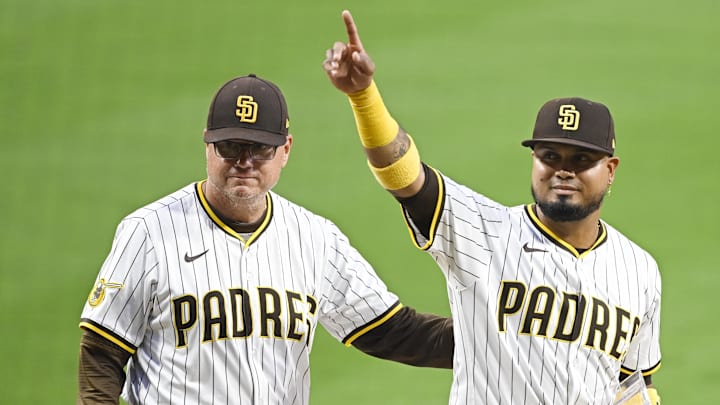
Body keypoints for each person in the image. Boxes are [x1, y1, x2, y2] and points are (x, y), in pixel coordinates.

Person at [322, 10, 662, 405]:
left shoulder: (640, 270)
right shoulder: (483, 232)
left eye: (581, 161)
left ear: (611, 170)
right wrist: (363, 96)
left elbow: (634, 383)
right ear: (534, 161)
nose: (563, 171)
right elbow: (403, 174)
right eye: (550, 156)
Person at [77, 74, 453, 404]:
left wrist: (495, 335)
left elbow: (392, 330)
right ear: (207, 145)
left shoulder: (315, 237)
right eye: (231, 146)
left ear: (285, 150)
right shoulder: (149, 231)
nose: (245, 161)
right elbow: (101, 355)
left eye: (260, 149)